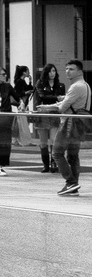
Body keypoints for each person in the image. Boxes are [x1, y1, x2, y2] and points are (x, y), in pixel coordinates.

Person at [41, 58, 87, 195]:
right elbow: (67, 103)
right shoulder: (85, 85)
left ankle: (70, 182)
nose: (67, 71)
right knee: (73, 156)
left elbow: (62, 108)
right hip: (79, 123)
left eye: (71, 69)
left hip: (69, 123)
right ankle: (73, 186)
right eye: (66, 69)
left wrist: (47, 108)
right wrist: (48, 106)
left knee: (57, 153)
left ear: (79, 71)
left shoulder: (76, 86)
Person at [32, 64, 63, 173]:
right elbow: (41, 97)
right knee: (43, 142)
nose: (52, 74)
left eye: (54, 71)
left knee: (54, 140)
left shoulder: (60, 85)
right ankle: (45, 164)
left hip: (54, 114)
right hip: (43, 114)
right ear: (46, 73)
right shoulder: (40, 84)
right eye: (50, 71)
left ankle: (54, 162)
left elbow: (61, 101)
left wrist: (58, 99)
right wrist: (57, 98)